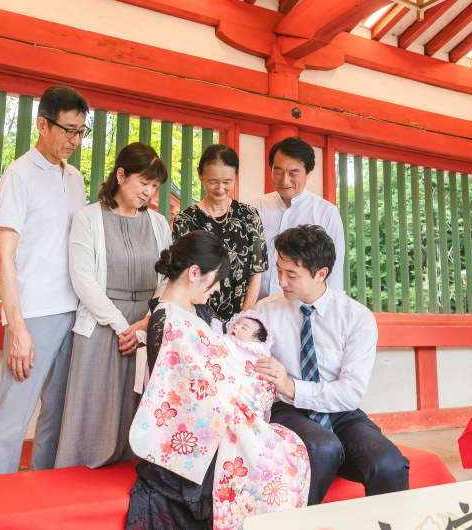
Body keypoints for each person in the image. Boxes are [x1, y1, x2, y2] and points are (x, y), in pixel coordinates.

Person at [127, 232, 309, 530]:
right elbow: (197, 390)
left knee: (286, 453)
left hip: (214, 417)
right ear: (194, 273)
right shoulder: (171, 320)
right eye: (214, 281)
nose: (215, 290)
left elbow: (213, 368)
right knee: (277, 471)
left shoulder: (186, 313)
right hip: (199, 430)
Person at [254, 225, 409, 505]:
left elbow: (350, 393)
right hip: (286, 408)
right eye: (278, 271)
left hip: (341, 412)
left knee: (388, 464)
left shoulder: (356, 318)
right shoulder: (265, 311)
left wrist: (292, 385)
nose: (281, 281)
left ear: (321, 273)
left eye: (291, 274)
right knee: (323, 446)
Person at [0, 85, 90, 476]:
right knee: (13, 417)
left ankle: (40, 499)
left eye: (81, 131)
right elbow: (3, 255)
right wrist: (18, 325)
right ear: (42, 124)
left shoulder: (75, 178)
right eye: (67, 130)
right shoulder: (19, 175)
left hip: (74, 311)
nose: (74, 140)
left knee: (56, 418)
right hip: (35, 313)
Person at [55, 142, 172, 468]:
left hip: (146, 325)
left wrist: (146, 323)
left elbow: (167, 278)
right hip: (103, 323)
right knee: (95, 408)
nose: (148, 192)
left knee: (140, 405)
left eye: (154, 186)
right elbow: (83, 279)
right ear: (121, 175)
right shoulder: (88, 218)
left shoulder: (159, 223)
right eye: (143, 183)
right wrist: (123, 327)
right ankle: (79, 477)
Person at [172, 144, 267, 322]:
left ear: (235, 177)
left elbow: (257, 271)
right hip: (197, 317)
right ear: (200, 175)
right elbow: (183, 276)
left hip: (241, 319)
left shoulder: (249, 216)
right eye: (213, 181)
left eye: (227, 182)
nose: (220, 188)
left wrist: (243, 318)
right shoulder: (185, 221)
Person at [250, 137, 345, 300]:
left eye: (293, 173)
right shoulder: (255, 207)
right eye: (278, 171)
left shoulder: (326, 213)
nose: (284, 180)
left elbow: (334, 274)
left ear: (308, 173)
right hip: (258, 310)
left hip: (302, 310)